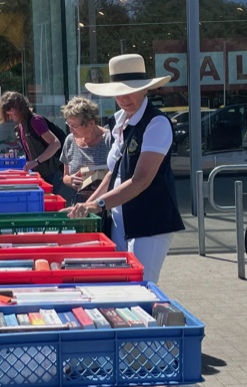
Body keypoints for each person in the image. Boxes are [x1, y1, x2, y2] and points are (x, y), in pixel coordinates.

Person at [67, 54, 185, 284]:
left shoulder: (156, 123)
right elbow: (113, 173)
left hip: (150, 222)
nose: (123, 97)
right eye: (118, 91)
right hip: (121, 221)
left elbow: (140, 180)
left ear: (145, 89)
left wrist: (97, 204)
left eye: (130, 89)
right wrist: (86, 204)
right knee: (122, 285)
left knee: (142, 288)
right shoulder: (120, 122)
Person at [0, 91, 62, 189]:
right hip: (39, 173)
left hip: (51, 173)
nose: (11, 117)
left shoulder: (35, 121)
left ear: (21, 109)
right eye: (8, 115)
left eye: (13, 114)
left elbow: (56, 143)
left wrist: (36, 161)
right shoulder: (21, 124)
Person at [58, 97, 113, 206]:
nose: (70, 129)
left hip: (106, 204)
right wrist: (70, 180)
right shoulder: (70, 140)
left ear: (91, 123)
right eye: (68, 124)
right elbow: (65, 176)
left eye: (74, 126)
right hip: (79, 203)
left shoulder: (110, 139)